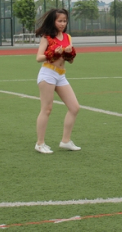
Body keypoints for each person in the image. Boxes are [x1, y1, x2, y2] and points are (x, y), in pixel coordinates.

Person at [34, 9, 81, 154]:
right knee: (47, 109)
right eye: (59, 21)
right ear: (53, 21)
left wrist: (69, 54)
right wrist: (54, 52)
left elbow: (70, 60)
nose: (62, 24)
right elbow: (38, 58)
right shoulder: (47, 37)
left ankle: (65, 141)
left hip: (61, 75)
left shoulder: (67, 37)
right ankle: (40, 143)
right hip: (48, 73)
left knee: (74, 107)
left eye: (64, 21)